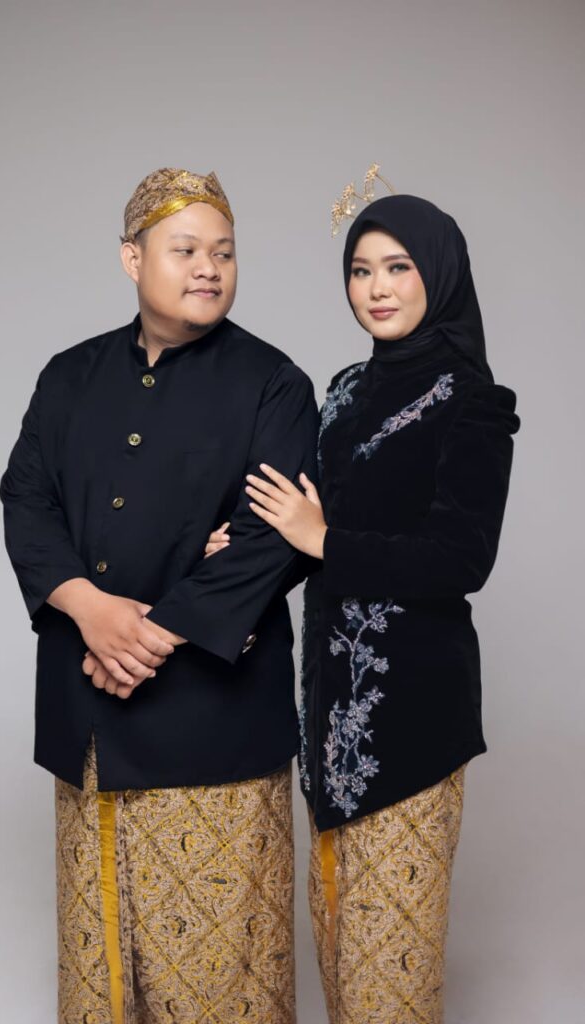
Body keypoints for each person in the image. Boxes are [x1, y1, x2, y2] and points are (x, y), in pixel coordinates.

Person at [0, 167, 318, 1024]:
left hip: (215, 728)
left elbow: (270, 541)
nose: (209, 267)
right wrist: (90, 608)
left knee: (219, 984)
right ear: (132, 260)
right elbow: (26, 500)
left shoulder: (274, 383)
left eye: (225, 252)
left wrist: (149, 636)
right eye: (186, 250)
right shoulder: (68, 376)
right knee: (101, 973)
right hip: (89, 724)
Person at [206, 188, 519, 1023]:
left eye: (398, 267)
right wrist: (240, 551)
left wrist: (321, 539)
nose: (376, 288)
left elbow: (461, 559)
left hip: (413, 723)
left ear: (438, 275)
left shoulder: (471, 400)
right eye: (360, 270)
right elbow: (303, 525)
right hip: (329, 724)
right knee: (343, 960)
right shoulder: (343, 391)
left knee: (390, 980)